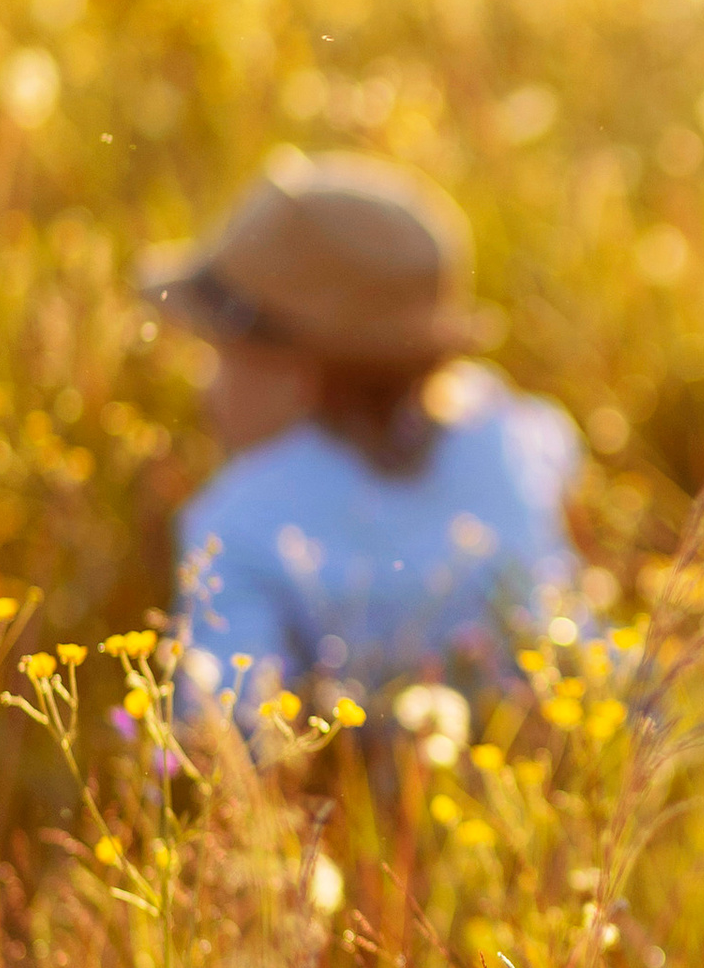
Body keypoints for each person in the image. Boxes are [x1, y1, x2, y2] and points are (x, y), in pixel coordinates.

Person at [141, 151, 586, 720]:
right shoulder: (509, 430)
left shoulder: (240, 525)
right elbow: (560, 458)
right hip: (585, 731)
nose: (204, 387)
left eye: (220, 355)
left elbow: (226, 727)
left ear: (295, 374)